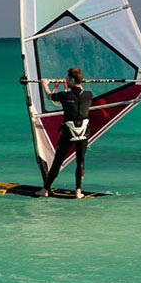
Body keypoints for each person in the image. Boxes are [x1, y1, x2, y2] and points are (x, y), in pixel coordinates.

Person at [36, 67, 93, 199]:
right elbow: (78, 97)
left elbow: (49, 96)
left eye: (67, 78)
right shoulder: (89, 95)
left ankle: (45, 190)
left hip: (69, 133)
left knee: (57, 162)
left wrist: (45, 84)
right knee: (80, 161)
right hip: (83, 133)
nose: (65, 80)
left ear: (72, 80)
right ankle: (78, 192)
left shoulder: (64, 95)